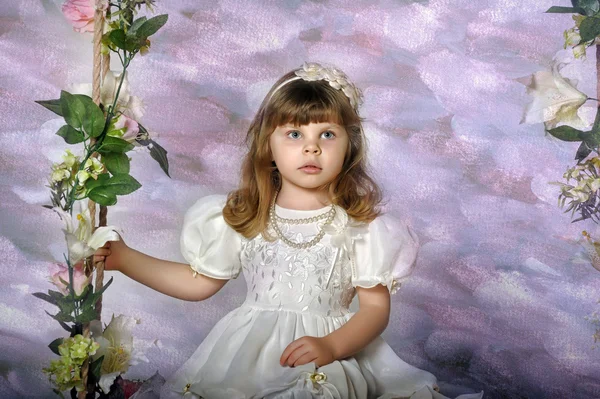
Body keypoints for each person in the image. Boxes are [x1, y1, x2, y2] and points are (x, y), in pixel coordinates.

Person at [94, 62, 484, 399]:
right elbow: (198, 284)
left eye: (327, 135)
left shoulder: (364, 228)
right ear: (269, 146)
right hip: (246, 352)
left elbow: (376, 310)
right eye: (295, 134)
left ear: (350, 146)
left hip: (329, 349)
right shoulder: (246, 216)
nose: (311, 148)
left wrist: (332, 345)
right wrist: (127, 260)